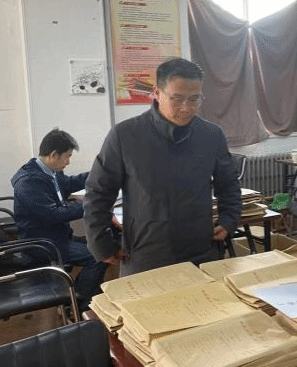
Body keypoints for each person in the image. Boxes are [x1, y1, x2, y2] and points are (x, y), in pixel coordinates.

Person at [84, 57, 242, 276]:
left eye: (194, 99)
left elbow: (229, 183)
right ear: (156, 93)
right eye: (177, 99)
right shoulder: (125, 135)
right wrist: (100, 243)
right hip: (145, 253)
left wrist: (229, 220)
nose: (186, 108)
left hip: (200, 251)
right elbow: (98, 192)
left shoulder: (211, 135)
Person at [11, 129, 107, 311]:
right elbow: (53, 215)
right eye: (67, 157)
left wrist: (100, 173)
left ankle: (83, 298)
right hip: (43, 244)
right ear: (54, 155)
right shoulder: (30, 182)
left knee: (102, 241)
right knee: (99, 255)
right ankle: (79, 305)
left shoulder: (48, 172)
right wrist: (90, 204)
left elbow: (69, 183)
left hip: (57, 237)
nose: (68, 162)